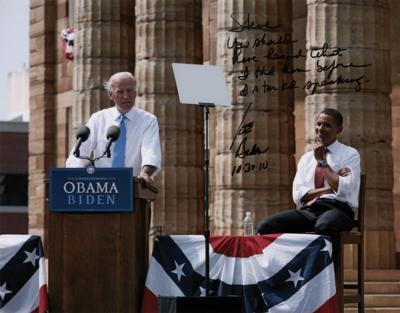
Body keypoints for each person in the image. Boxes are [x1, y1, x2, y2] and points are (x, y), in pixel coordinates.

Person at [258, 108, 360, 242]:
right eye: (318, 124)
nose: (320, 128)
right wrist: (328, 189)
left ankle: (328, 263)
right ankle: (291, 262)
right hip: (310, 210)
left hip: (339, 210)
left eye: (327, 125)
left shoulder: (349, 154)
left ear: (339, 130)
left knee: (325, 225)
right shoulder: (306, 158)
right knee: (266, 226)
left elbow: (342, 188)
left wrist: (322, 161)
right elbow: (298, 195)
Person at [66, 72, 161, 186]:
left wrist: (145, 173)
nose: (126, 96)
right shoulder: (98, 119)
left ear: (135, 93)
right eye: (120, 92)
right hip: (101, 187)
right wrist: (71, 176)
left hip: (133, 186)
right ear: (110, 95)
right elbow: (80, 151)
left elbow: (150, 151)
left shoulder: (148, 120)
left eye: (129, 91)